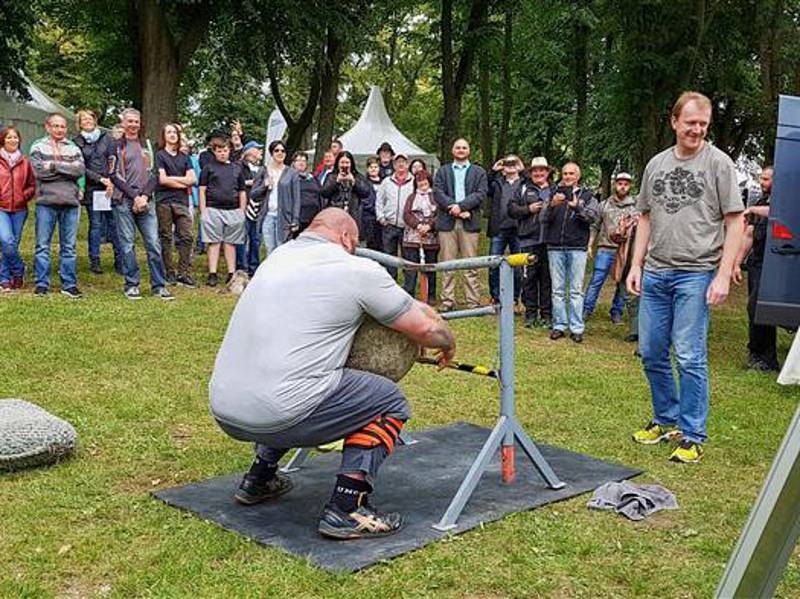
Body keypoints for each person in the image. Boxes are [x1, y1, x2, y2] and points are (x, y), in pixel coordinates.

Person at [209, 208, 456, 539]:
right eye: (353, 243)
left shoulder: (277, 258)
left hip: (225, 408)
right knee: (389, 401)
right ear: (346, 238)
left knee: (297, 375)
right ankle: (346, 509)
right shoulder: (355, 269)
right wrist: (448, 341)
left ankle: (259, 478)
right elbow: (425, 328)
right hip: (281, 410)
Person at [627, 91, 744, 464]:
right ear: (674, 122)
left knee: (690, 356)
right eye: (690, 122)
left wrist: (723, 275)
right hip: (657, 272)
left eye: (703, 124)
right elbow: (644, 217)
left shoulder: (719, 164)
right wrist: (635, 265)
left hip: (696, 274)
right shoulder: (656, 165)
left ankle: (692, 434)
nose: (696, 130)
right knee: (651, 352)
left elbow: (735, 220)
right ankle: (666, 419)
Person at [106, 108, 174, 301]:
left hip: (146, 200)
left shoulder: (147, 144)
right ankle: (132, 284)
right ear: (123, 123)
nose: (133, 124)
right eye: (130, 121)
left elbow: (154, 173)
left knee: (153, 243)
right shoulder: (115, 145)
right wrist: (134, 196)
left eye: (136, 121)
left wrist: (144, 196)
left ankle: (159, 286)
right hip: (123, 200)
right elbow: (114, 174)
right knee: (127, 245)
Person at [29, 113, 85, 298]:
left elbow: (79, 170)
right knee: (42, 245)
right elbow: (38, 172)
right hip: (46, 202)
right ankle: (41, 283)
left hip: (70, 202)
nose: (59, 130)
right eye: (56, 126)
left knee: (69, 246)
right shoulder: (38, 146)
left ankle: (69, 284)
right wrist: (65, 168)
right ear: (47, 127)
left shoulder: (73, 147)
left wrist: (52, 166)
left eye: (62, 126)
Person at [542, 162, 598, 342]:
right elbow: (543, 218)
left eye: (571, 174)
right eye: (565, 173)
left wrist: (577, 208)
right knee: (557, 289)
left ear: (578, 176)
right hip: (555, 246)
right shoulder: (554, 193)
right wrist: (551, 205)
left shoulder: (588, 195)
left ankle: (576, 327)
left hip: (577, 247)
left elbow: (593, 217)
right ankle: (559, 325)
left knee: (575, 290)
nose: (567, 177)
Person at [433, 138, 488, 311]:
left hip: (469, 221)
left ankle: (472, 301)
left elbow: (481, 193)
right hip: (447, 222)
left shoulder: (478, 172)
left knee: (470, 263)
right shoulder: (443, 171)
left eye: (464, 147)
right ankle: (447, 301)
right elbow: (438, 192)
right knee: (447, 264)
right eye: (458, 147)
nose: (461, 150)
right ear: (452, 150)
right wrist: (453, 207)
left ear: (469, 151)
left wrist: (462, 206)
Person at [733, 165, 778, 372]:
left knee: (764, 309)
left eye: (767, 179)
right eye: (761, 178)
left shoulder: (786, 201)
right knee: (753, 308)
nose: (762, 182)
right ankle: (755, 353)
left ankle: (767, 359)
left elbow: (779, 212)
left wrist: (751, 210)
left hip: (775, 263)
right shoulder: (760, 202)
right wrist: (736, 263)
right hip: (757, 263)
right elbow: (748, 236)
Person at [583, 172, 638, 324]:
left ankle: (616, 312)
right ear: (615, 184)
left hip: (626, 251)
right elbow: (595, 226)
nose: (623, 186)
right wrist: (589, 244)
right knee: (596, 280)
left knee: (622, 283)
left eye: (626, 184)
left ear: (630, 186)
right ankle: (586, 310)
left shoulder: (635, 206)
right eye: (620, 183)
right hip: (605, 249)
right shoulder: (604, 205)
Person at [73, 109, 122, 275]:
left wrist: (110, 179)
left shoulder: (106, 138)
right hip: (92, 188)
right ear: (79, 123)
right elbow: (81, 166)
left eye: (90, 118)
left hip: (110, 187)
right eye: (83, 119)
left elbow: (113, 159)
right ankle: (95, 260)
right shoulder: (77, 142)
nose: (87, 121)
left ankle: (120, 259)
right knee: (95, 225)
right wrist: (100, 179)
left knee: (114, 224)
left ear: (95, 120)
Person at [509, 156, 555, 328]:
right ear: (530, 172)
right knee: (528, 278)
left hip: (549, 241)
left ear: (547, 172)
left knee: (547, 279)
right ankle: (530, 314)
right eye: (535, 170)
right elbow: (511, 210)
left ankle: (546, 315)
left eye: (542, 170)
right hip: (528, 239)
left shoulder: (555, 189)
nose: (538, 173)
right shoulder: (522, 188)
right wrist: (528, 209)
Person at [199, 136, 247, 286]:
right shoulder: (208, 168)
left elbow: (242, 191)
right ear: (214, 152)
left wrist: (242, 211)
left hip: (233, 210)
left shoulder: (236, 168)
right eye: (219, 151)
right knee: (214, 242)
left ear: (229, 151)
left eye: (225, 150)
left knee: (230, 242)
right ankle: (212, 273)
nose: (222, 153)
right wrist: (203, 210)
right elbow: (202, 189)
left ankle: (231, 272)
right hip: (213, 208)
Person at [155, 122, 197, 287]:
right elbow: (162, 180)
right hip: (164, 201)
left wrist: (172, 180)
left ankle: (183, 272)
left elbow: (192, 179)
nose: (172, 135)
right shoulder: (160, 156)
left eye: (175, 132)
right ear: (164, 136)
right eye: (169, 132)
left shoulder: (185, 157)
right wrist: (183, 182)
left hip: (182, 202)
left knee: (186, 236)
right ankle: (169, 271)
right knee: (166, 237)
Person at [0, 126, 36, 291]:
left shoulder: (25, 162)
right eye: (9, 137)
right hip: (1, 208)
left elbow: (31, 185)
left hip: (20, 209)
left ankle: (6, 278)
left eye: (15, 137)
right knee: (7, 241)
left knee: (13, 244)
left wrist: (23, 196)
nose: (13, 140)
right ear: (3, 140)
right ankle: (19, 269)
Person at [250, 140, 301, 254]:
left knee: (282, 251)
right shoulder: (263, 170)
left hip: (284, 217)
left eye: (283, 151)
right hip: (267, 216)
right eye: (276, 150)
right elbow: (253, 195)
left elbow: (296, 199)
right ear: (272, 153)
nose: (280, 153)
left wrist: (295, 219)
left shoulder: (292, 173)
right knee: (270, 251)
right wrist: (264, 186)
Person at [487, 155, 524, 305]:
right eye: (507, 163)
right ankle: (495, 297)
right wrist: (493, 171)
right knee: (493, 263)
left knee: (518, 266)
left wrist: (521, 167)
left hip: (519, 229)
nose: (510, 166)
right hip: (499, 228)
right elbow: (485, 187)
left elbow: (533, 179)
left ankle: (514, 298)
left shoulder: (524, 183)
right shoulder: (497, 183)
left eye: (513, 163)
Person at [402, 169, 438, 303]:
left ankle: (431, 295)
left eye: (425, 183)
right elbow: (406, 214)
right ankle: (409, 293)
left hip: (431, 238)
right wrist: (418, 225)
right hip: (412, 237)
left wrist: (429, 226)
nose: (423, 186)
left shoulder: (435, 197)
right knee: (411, 267)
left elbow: (439, 215)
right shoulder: (411, 198)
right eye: (420, 184)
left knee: (430, 267)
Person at [376, 153, 414, 280]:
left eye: (403, 162)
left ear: (408, 164)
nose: (401, 164)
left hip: (408, 227)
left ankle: (409, 289)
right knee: (389, 258)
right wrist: (381, 217)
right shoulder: (386, 182)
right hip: (389, 225)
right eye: (398, 162)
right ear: (394, 165)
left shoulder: (414, 182)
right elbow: (379, 201)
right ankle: (390, 286)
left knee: (408, 259)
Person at [321, 150, 370, 236]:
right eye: (342, 162)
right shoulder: (331, 176)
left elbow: (366, 193)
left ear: (351, 164)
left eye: (347, 162)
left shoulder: (358, 176)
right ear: (338, 163)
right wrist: (336, 182)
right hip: (335, 214)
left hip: (353, 214)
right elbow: (324, 193)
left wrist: (354, 182)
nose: (344, 165)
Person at [236, 140, 264, 276]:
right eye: (258, 149)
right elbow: (235, 182)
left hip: (258, 206)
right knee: (243, 237)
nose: (261, 152)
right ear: (250, 151)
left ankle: (254, 267)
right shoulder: (239, 166)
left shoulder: (262, 168)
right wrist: (252, 183)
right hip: (244, 205)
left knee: (256, 238)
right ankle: (242, 266)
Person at [293, 151, 323, 234]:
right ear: (294, 163)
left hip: (313, 218)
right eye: (298, 160)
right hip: (298, 218)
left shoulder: (313, 178)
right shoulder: (290, 179)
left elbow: (320, 195)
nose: (301, 163)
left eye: (304, 161)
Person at [361, 157, 383, 250]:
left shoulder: (384, 182)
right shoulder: (363, 182)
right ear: (367, 169)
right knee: (371, 244)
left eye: (375, 167)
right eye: (371, 167)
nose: (373, 169)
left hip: (382, 218)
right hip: (369, 218)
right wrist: (375, 210)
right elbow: (365, 200)